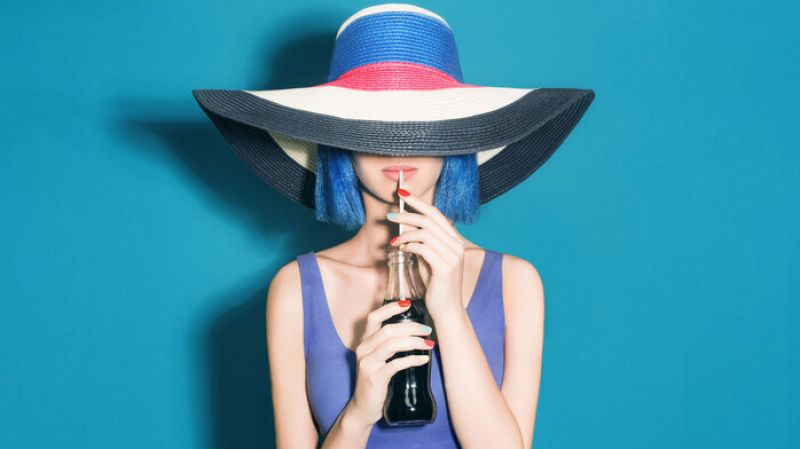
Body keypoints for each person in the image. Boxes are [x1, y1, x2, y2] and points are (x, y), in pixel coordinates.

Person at [191, 4, 594, 448]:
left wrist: (449, 313)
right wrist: (358, 413)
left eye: (427, 130)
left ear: (455, 146)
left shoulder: (515, 283)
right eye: (372, 129)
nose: (399, 150)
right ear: (338, 144)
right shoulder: (296, 289)